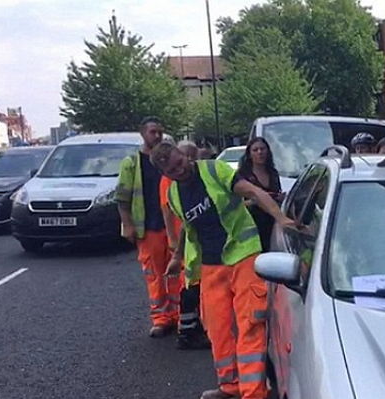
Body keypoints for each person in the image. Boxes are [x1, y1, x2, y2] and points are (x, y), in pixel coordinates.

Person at [150, 141, 295, 399]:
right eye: (173, 170)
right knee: (216, 328)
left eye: (181, 162)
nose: (180, 170)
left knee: (250, 323)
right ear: (166, 174)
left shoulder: (214, 171)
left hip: (242, 255)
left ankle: (253, 393)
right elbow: (187, 225)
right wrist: (177, 257)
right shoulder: (174, 194)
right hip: (211, 264)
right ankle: (229, 386)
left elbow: (254, 192)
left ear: (183, 155)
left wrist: (280, 218)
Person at [116, 116, 180, 338]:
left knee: (177, 272)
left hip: (173, 225)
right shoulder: (132, 163)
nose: (157, 135)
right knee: (155, 274)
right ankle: (161, 317)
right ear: (142, 133)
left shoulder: (167, 160)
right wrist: (128, 225)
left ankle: (180, 315)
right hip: (149, 227)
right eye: (153, 131)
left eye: (160, 131)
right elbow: (122, 198)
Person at [159, 139, 210, 350]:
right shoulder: (171, 181)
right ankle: (187, 331)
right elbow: (167, 210)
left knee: (192, 287)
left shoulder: (190, 176)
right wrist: (174, 244)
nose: (189, 162)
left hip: (192, 239)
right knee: (189, 288)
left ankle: (191, 327)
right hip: (188, 242)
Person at [237, 138, 284, 252]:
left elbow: (276, 194)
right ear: (249, 154)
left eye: (262, 149)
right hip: (251, 225)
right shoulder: (242, 175)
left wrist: (280, 197)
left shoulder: (273, 173)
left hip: (271, 224)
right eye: (255, 150)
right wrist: (254, 200)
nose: (260, 152)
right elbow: (235, 204)